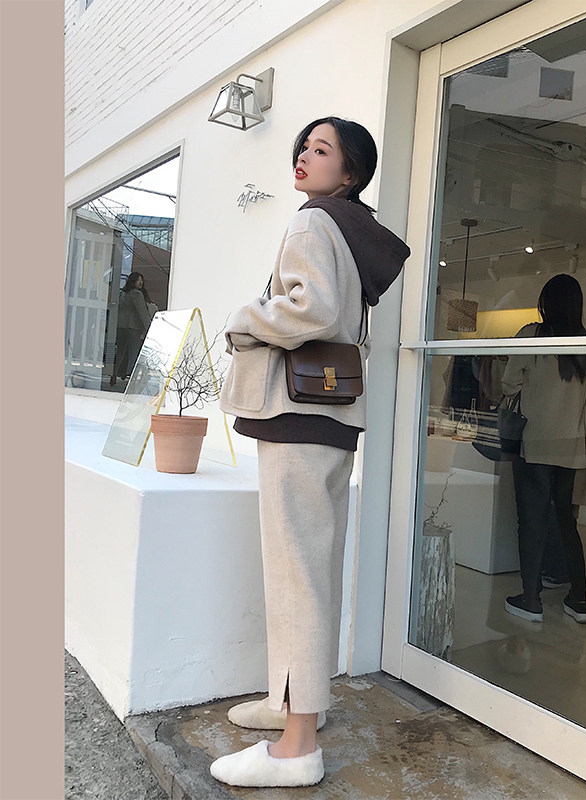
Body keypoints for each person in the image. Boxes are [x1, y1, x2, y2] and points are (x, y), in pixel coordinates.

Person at [209, 117, 411, 789]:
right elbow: (341, 318)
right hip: (332, 418)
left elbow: (313, 311)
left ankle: (295, 748)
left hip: (297, 416)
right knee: (313, 568)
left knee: (295, 573)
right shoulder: (352, 231)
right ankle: (296, 703)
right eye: (304, 145)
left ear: (348, 174)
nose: (304, 154)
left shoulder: (311, 222)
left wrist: (244, 319)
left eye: (321, 150)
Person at [501, 274, 586, 625]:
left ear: (546, 303)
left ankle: (531, 599)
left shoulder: (531, 336)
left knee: (531, 522)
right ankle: (579, 600)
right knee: (566, 522)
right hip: (572, 448)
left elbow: (509, 384)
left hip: (535, 444)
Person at [111, 271, 151, 384]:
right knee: (133, 353)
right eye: (138, 280)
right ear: (133, 281)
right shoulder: (137, 294)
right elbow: (142, 312)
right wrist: (148, 327)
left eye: (141, 280)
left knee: (120, 352)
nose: (141, 282)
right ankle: (131, 376)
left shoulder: (122, 294)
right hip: (133, 327)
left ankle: (115, 373)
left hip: (121, 326)